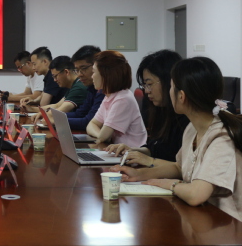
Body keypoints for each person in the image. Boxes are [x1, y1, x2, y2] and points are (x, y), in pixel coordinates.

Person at [113, 57, 242, 221]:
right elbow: (180, 167)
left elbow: (196, 194)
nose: (169, 92)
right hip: (201, 217)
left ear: (181, 96)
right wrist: (139, 174)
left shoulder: (222, 137)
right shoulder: (192, 129)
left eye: (171, 87)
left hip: (226, 224)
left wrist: (169, 184)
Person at [106, 50, 188, 165]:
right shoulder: (160, 109)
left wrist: (149, 161)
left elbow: (181, 167)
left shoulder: (186, 119)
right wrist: (132, 150)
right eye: (144, 85)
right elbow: (155, 149)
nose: (147, 91)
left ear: (170, 82)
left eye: (149, 84)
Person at [86, 50, 147, 146]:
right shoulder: (110, 96)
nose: (92, 76)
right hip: (117, 150)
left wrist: (101, 137)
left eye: (94, 72)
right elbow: (92, 124)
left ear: (105, 75)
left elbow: (104, 136)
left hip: (131, 153)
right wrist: (100, 136)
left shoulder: (123, 99)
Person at [29, 55, 88, 123]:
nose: (54, 80)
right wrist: (31, 109)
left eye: (55, 76)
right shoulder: (74, 85)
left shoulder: (79, 87)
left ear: (66, 72)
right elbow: (57, 105)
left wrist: (46, 114)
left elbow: (59, 111)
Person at [66, 45, 105, 130]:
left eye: (83, 68)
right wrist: (54, 117)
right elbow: (80, 113)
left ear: (97, 67)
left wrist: (57, 121)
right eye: (77, 70)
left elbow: (88, 122)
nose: (79, 74)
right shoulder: (92, 88)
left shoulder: (104, 91)